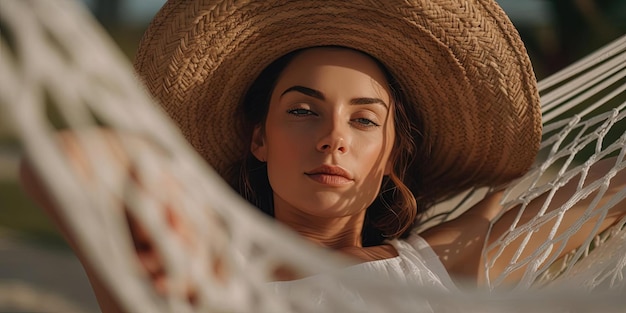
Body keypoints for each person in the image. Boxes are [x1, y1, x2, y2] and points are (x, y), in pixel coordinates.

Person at [19, 0, 626, 312]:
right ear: (258, 138)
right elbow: (57, 161)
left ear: (390, 157)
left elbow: (607, 185)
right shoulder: (202, 275)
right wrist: (167, 220)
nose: (333, 137)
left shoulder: (434, 271)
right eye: (303, 111)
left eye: (364, 120)